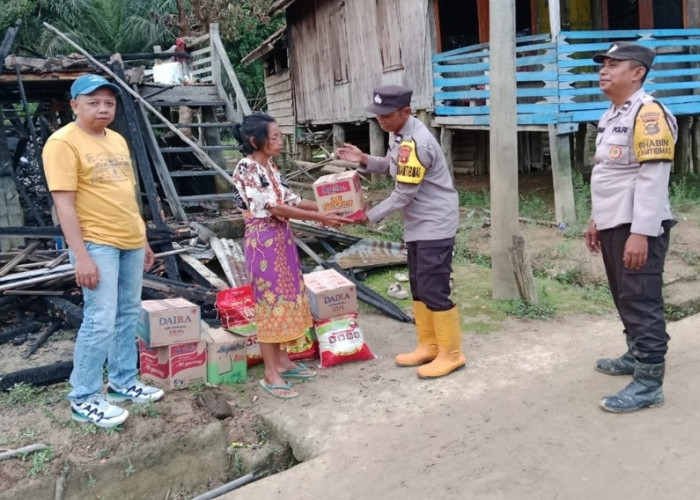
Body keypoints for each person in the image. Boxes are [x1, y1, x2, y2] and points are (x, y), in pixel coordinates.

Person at [42, 74, 164, 429]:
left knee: (127, 313)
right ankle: (84, 397)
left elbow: (128, 195)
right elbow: (64, 206)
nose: (102, 109)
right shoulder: (63, 143)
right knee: (99, 319)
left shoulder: (117, 141)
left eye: (109, 103)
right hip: (97, 243)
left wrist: (142, 239)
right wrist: (81, 256)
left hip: (128, 239)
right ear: (75, 104)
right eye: (93, 102)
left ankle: (123, 382)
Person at [336, 85, 465, 379]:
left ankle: (452, 353)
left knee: (434, 286)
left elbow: (403, 194)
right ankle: (429, 345)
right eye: (377, 114)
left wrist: (367, 217)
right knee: (419, 285)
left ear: (406, 111)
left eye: (386, 114)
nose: (380, 120)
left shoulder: (418, 142)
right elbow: (395, 167)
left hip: (434, 223)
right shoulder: (400, 133)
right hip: (418, 224)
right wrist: (365, 159)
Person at [231, 113, 354, 399]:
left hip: (281, 239)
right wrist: (320, 217)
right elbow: (275, 208)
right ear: (254, 141)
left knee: (287, 298)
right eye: (273, 137)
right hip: (262, 242)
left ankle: (284, 361)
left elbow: (291, 200)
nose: (280, 141)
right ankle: (270, 373)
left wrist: (329, 206)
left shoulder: (269, 167)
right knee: (270, 303)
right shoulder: (247, 169)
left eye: (278, 135)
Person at [586, 42, 678, 413]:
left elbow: (653, 179)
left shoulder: (649, 113)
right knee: (624, 296)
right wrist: (596, 219)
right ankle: (635, 354)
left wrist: (641, 232)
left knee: (641, 300)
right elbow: (609, 173)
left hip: (638, 226)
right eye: (602, 65)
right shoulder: (614, 113)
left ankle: (649, 384)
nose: (603, 71)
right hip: (614, 222)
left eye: (613, 64)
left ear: (637, 72)